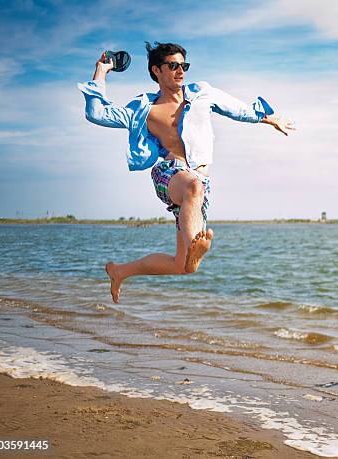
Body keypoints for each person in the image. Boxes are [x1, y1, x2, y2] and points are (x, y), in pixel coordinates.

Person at [78, 42, 294, 303]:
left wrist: (268, 119)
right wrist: (101, 71)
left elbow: (237, 109)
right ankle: (196, 243)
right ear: (156, 70)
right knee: (193, 188)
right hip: (170, 174)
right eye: (173, 66)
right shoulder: (144, 109)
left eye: (183, 66)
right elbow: (96, 113)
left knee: (186, 266)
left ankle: (120, 271)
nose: (180, 71)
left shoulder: (202, 93)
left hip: (198, 183)